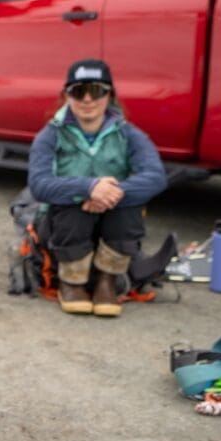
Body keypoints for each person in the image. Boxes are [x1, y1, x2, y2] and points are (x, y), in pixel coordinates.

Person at [27, 58, 167, 317]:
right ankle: (72, 282)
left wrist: (111, 194)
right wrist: (88, 187)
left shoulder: (129, 134)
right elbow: (39, 184)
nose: (88, 99)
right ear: (67, 95)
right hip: (62, 225)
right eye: (79, 91)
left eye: (97, 91)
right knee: (73, 206)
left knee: (129, 207)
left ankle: (107, 281)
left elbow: (156, 177)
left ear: (110, 95)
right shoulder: (50, 135)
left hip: (111, 220)